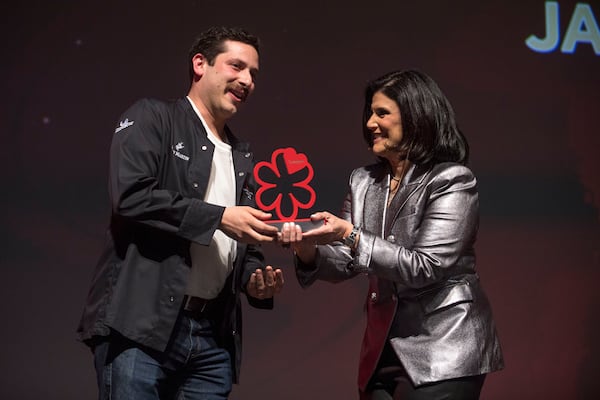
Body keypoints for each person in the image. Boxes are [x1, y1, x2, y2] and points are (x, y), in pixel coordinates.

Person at [77, 26, 285, 400]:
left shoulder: (241, 156)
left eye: (254, 73)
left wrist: (254, 278)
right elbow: (131, 195)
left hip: (211, 340)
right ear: (200, 64)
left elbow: (243, 244)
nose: (247, 80)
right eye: (237, 66)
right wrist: (220, 216)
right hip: (141, 331)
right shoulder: (153, 117)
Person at [281, 69, 504, 399]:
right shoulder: (363, 181)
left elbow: (426, 266)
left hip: (443, 348)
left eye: (382, 113)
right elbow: (346, 261)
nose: (370, 123)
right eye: (370, 113)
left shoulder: (452, 180)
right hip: (382, 351)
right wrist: (307, 248)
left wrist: (352, 235)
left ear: (416, 117)